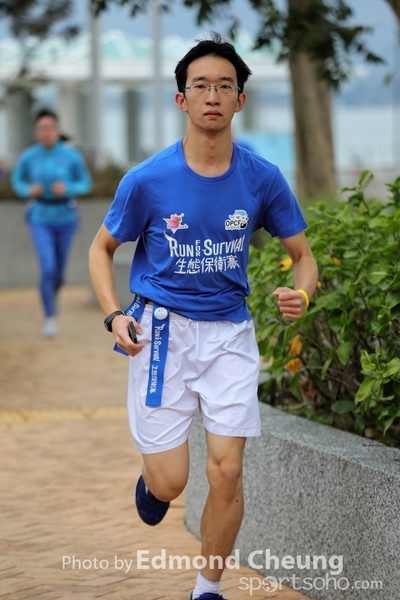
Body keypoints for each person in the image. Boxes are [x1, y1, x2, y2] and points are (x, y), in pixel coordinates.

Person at [89, 32, 318, 600]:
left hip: (229, 336)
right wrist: (113, 315)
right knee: (171, 483)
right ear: (181, 99)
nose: (212, 95)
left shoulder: (262, 177)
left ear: (240, 100)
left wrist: (302, 294)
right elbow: (101, 249)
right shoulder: (147, 180)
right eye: (200, 86)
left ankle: (207, 587)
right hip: (161, 335)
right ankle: (153, 485)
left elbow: (303, 257)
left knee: (227, 471)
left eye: (224, 86)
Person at [12, 108, 92, 337]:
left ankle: (52, 294)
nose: (46, 132)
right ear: (36, 132)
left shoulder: (71, 156)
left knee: (59, 273)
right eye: (42, 128)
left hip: (66, 216)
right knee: (47, 267)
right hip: (39, 217)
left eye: (50, 128)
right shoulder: (29, 156)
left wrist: (68, 188)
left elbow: (85, 183)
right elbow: (17, 180)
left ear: (57, 131)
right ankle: (49, 318)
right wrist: (28, 190)